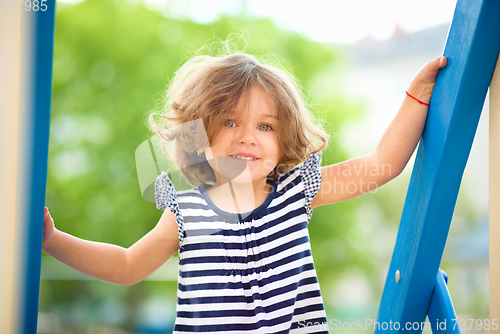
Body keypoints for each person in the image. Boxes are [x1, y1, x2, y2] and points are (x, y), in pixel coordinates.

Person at [43, 51, 447, 333]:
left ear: (284, 136)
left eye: (266, 126)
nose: (249, 138)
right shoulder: (186, 208)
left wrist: (415, 98)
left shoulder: (296, 190)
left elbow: (380, 166)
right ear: (198, 133)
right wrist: (54, 241)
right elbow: (128, 265)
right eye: (231, 123)